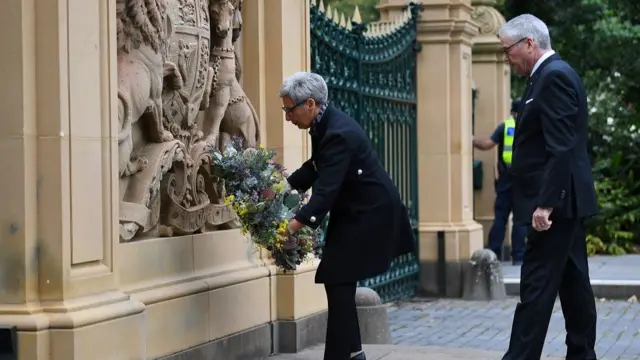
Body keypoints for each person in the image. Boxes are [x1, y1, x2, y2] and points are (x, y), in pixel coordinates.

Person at [278, 71, 415, 360]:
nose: (287, 117)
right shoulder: (325, 124)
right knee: (338, 281)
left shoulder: (337, 132)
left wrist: (291, 226)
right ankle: (354, 353)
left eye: (290, 110)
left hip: (370, 214)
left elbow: (325, 192)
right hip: (355, 212)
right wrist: (281, 188)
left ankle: (342, 355)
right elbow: (317, 165)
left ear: (311, 104)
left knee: (338, 279)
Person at [498, 14, 599, 360]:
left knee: (536, 287)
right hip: (563, 201)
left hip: (554, 205)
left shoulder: (553, 77)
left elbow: (561, 147)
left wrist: (545, 204)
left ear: (529, 43)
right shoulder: (544, 76)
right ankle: (583, 354)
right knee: (573, 286)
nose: (506, 58)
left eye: (507, 50)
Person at [473, 99, 527, 265]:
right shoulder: (530, 127)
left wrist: (472, 140)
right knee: (520, 219)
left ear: (512, 112)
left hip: (506, 180)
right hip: (524, 180)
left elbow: (488, 144)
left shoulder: (506, 126)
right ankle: (518, 257)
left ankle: (493, 254)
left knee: (500, 218)